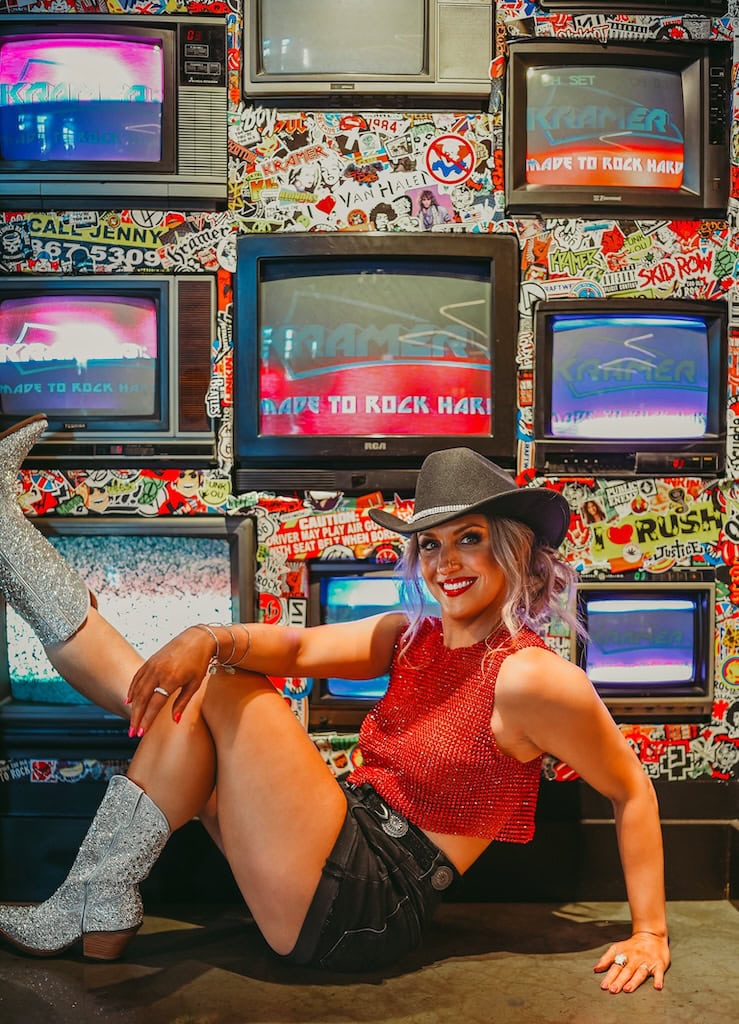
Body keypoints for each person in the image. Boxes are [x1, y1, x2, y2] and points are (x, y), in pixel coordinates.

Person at [0, 415, 670, 990]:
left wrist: (650, 933)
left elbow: (631, 789)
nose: (445, 562)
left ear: (514, 552)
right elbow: (293, 649)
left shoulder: (530, 678)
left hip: (367, 904)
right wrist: (205, 637)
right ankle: (8, 539)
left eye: (469, 537)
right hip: (334, 846)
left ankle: (92, 897)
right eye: (430, 543)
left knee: (224, 680)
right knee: (164, 692)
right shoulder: (410, 636)